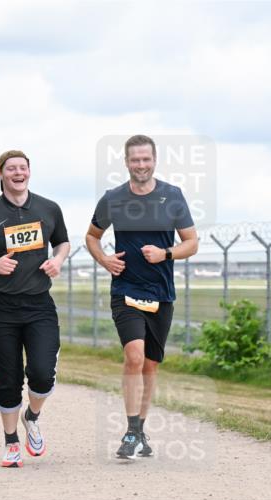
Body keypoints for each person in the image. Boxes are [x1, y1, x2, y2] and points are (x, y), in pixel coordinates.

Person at [86, 134, 199, 460]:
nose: (141, 165)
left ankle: (139, 430)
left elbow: (191, 242)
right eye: (135, 160)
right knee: (134, 357)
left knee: (149, 365)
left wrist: (165, 253)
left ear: (154, 160)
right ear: (126, 162)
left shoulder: (172, 196)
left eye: (146, 159)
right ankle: (131, 431)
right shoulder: (113, 199)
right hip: (126, 290)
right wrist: (105, 260)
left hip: (161, 293)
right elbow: (92, 236)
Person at [0, 150, 70, 468]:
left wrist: (57, 260)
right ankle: (10, 443)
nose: (18, 173)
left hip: (39, 305)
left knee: (42, 374)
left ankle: (31, 417)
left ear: (29, 172)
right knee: (8, 380)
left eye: (23, 168)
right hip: (1, 308)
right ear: (0, 175)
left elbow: (62, 241)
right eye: (11, 169)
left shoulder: (48, 208)